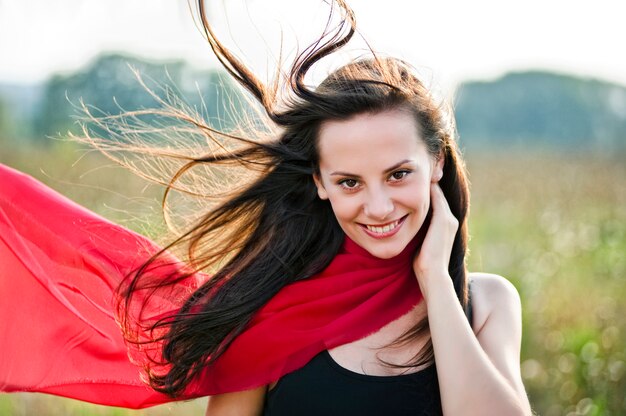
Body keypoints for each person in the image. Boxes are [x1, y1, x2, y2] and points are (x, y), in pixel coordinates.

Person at [0, 0, 533, 415]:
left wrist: (436, 282)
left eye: (399, 174)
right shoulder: (272, 308)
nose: (377, 205)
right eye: (349, 182)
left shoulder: (484, 304)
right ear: (320, 182)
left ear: (437, 162)